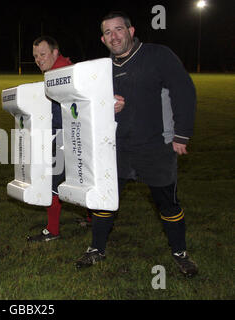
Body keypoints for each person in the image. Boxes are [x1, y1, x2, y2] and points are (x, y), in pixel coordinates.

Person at [75, 11, 198, 277]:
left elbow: (184, 89)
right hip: (115, 148)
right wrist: (107, 106)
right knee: (104, 201)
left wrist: (181, 134)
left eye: (119, 29)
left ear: (131, 31)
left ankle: (180, 253)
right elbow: (87, 106)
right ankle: (97, 248)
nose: (114, 36)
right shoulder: (101, 69)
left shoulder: (158, 55)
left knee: (167, 203)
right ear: (103, 39)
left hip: (155, 146)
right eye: (108, 32)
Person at [27, 36, 124, 242]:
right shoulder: (61, 70)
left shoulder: (61, 73)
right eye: (35, 56)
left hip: (66, 136)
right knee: (82, 177)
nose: (38, 59)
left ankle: (52, 231)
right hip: (74, 135)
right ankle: (90, 218)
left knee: (52, 182)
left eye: (42, 54)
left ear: (55, 53)